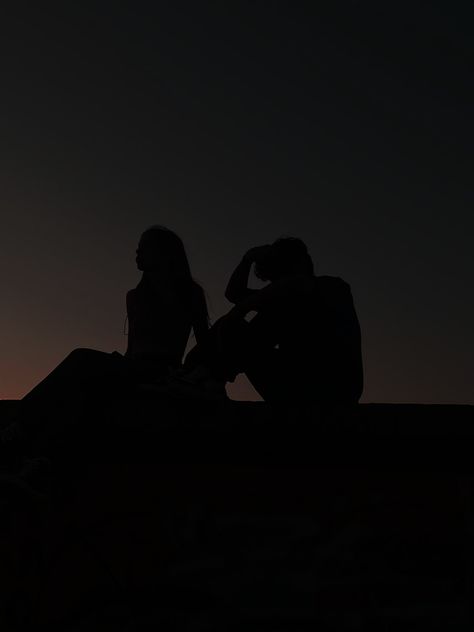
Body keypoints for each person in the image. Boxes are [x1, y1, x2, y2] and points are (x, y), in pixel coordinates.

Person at [1, 225, 209, 453]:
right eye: (137, 249)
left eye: (144, 248)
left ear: (162, 252)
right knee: (82, 392)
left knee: (81, 358)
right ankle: (40, 456)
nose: (137, 253)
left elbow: (205, 345)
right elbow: (132, 347)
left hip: (163, 371)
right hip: (132, 368)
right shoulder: (135, 296)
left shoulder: (190, 293)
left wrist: (192, 379)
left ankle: (18, 425)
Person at [176, 237, 363, 404]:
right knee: (234, 325)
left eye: (279, 274)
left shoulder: (332, 287)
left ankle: (205, 377)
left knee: (236, 324)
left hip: (334, 388)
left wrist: (242, 309)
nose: (274, 283)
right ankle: (194, 375)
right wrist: (247, 259)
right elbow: (234, 293)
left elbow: (295, 284)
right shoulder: (281, 301)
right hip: (293, 385)